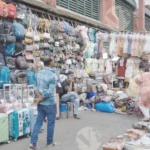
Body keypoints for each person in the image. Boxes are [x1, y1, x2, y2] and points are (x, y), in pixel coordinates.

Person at [29, 56, 60, 150]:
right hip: (50, 103)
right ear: (50, 62)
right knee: (50, 123)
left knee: (38, 122)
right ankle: (49, 142)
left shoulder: (38, 73)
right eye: (53, 60)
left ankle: (33, 143)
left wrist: (39, 97)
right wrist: (40, 98)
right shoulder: (53, 75)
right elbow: (49, 92)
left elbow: (34, 86)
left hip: (41, 104)